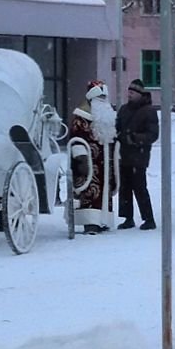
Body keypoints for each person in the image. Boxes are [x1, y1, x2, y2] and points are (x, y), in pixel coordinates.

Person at [69, 81, 117, 235]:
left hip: (105, 162)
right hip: (89, 161)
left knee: (104, 192)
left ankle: (103, 220)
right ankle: (90, 222)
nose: (103, 100)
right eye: (100, 97)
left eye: (105, 97)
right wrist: (80, 156)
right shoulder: (81, 115)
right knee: (90, 191)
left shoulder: (109, 115)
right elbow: (76, 137)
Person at [115, 79, 159, 230]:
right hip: (124, 154)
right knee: (125, 187)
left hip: (139, 155)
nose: (129, 94)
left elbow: (153, 134)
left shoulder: (149, 111)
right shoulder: (124, 109)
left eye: (132, 92)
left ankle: (149, 219)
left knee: (140, 187)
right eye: (129, 92)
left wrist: (135, 138)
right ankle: (128, 218)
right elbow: (117, 127)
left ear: (140, 94)